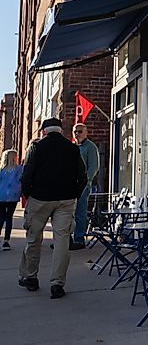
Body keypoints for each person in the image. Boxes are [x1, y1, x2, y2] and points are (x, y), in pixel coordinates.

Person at [18, 117, 86, 299]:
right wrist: (74, 194)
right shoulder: (73, 148)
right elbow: (83, 176)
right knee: (62, 241)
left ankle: (30, 277)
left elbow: (27, 174)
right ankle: (57, 284)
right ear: (61, 131)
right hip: (66, 199)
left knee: (34, 239)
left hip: (39, 198)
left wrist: (28, 194)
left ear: (43, 132)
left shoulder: (37, 147)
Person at [71, 123, 99, 251]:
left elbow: (93, 167)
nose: (77, 134)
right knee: (68, 213)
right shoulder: (73, 147)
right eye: (75, 132)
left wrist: (85, 182)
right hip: (71, 185)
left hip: (82, 186)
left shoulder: (90, 147)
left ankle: (79, 239)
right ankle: (67, 239)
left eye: (80, 131)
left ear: (86, 132)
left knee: (80, 213)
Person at [0, 149, 22, 250]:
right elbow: (21, 180)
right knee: (9, 217)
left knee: (1, 217)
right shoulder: (19, 169)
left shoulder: (1, 169)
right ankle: (6, 240)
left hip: (1, 196)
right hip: (13, 196)